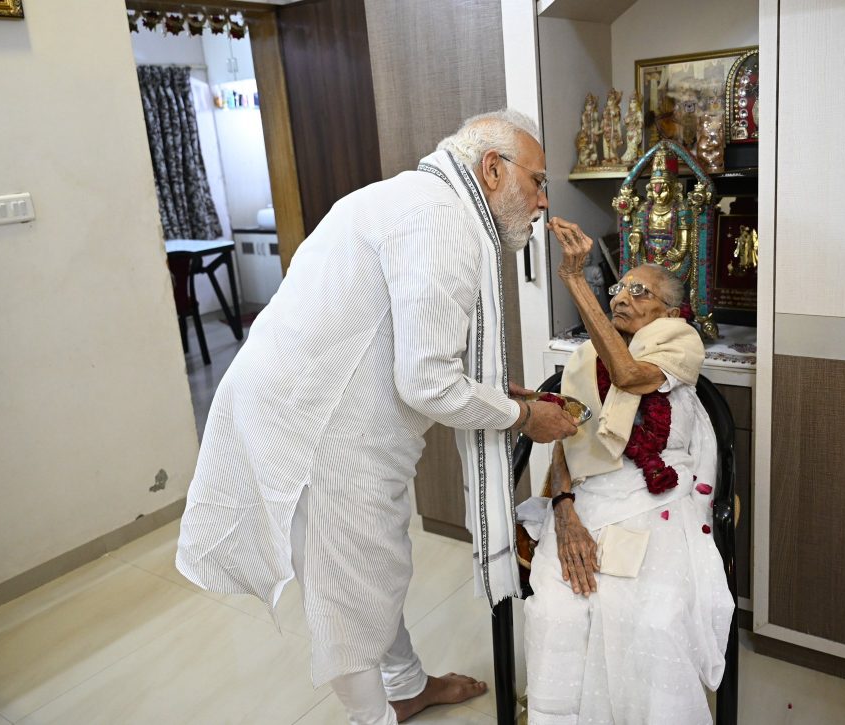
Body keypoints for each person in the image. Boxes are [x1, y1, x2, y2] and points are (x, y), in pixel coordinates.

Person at [175, 109, 578, 725]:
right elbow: (428, 384)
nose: (544, 199)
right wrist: (523, 416)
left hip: (303, 397)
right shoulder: (443, 223)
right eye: (539, 180)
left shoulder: (415, 197)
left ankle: (407, 685)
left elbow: (417, 347)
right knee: (353, 582)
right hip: (319, 421)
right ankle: (374, 717)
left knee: (371, 570)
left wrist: (501, 391)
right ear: (492, 170)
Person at [520, 218, 734, 724]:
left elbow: (630, 375)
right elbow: (566, 437)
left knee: (652, 616)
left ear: (669, 310)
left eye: (639, 291)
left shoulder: (679, 341)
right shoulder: (580, 359)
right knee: (557, 612)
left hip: (660, 497)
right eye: (618, 287)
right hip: (590, 497)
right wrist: (564, 509)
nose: (621, 297)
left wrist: (577, 282)